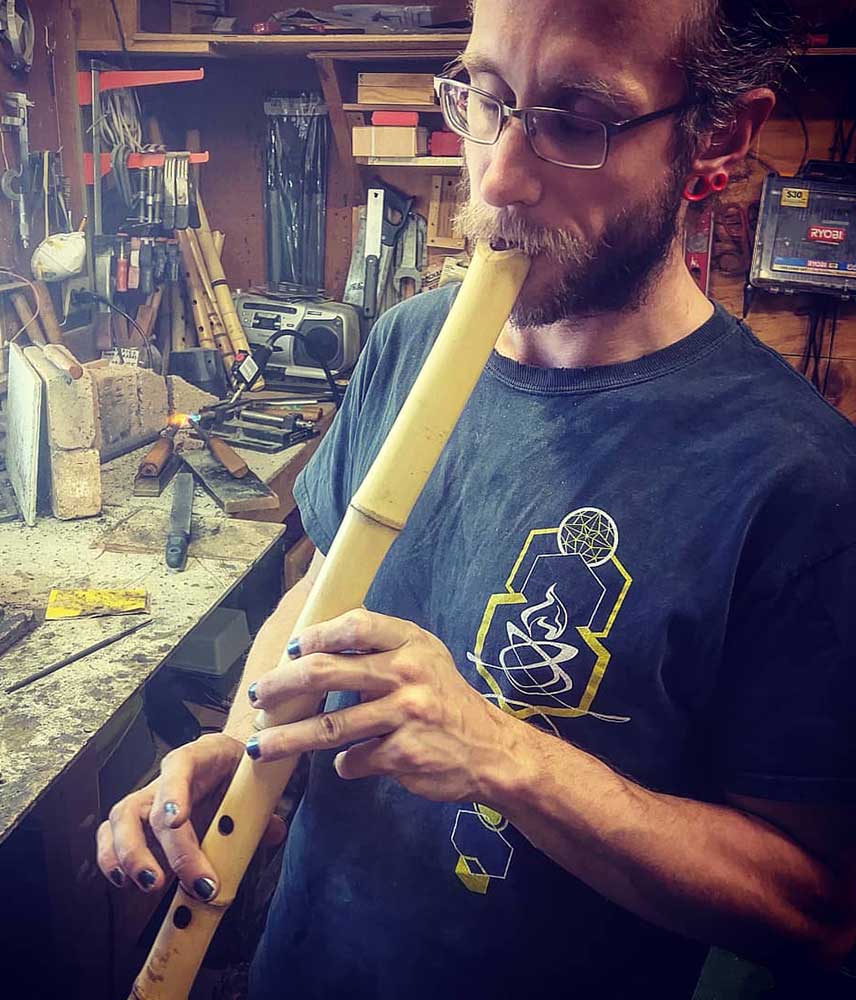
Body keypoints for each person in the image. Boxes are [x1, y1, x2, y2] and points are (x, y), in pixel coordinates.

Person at [98, 0, 856, 995]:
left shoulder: (798, 480)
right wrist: (240, 741)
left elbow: (816, 909)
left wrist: (505, 755)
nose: (496, 176)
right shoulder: (409, 341)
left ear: (717, 136)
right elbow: (317, 596)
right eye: (485, 99)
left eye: (576, 121)